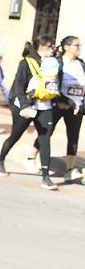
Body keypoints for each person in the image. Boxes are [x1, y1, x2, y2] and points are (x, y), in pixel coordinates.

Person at [0, 36, 62, 190]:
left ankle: (46, 177)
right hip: (25, 106)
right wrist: (24, 105)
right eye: (52, 46)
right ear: (43, 47)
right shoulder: (27, 62)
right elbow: (18, 85)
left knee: (45, 139)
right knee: (16, 135)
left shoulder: (53, 63)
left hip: (44, 106)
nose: (54, 50)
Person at [55, 35, 84, 183]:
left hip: (77, 106)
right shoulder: (59, 63)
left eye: (80, 46)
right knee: (47, 131)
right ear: (66, 47)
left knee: (73, 137)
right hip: (60, 103)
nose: (79, 48)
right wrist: (61, 100)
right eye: (76, 45)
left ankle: (69, 169)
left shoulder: (81, 63)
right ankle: (31, 156)